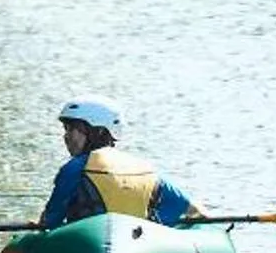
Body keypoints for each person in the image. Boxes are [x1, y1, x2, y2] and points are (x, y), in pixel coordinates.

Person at [38, 98, 201, 230]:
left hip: (86, 246)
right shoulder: (144, 168)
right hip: (138, 245)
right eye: (65, 129)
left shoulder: (74, 168)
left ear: (98, 131)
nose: (66, 136)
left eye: (72, 129)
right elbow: (195, 211)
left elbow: (50, 221)